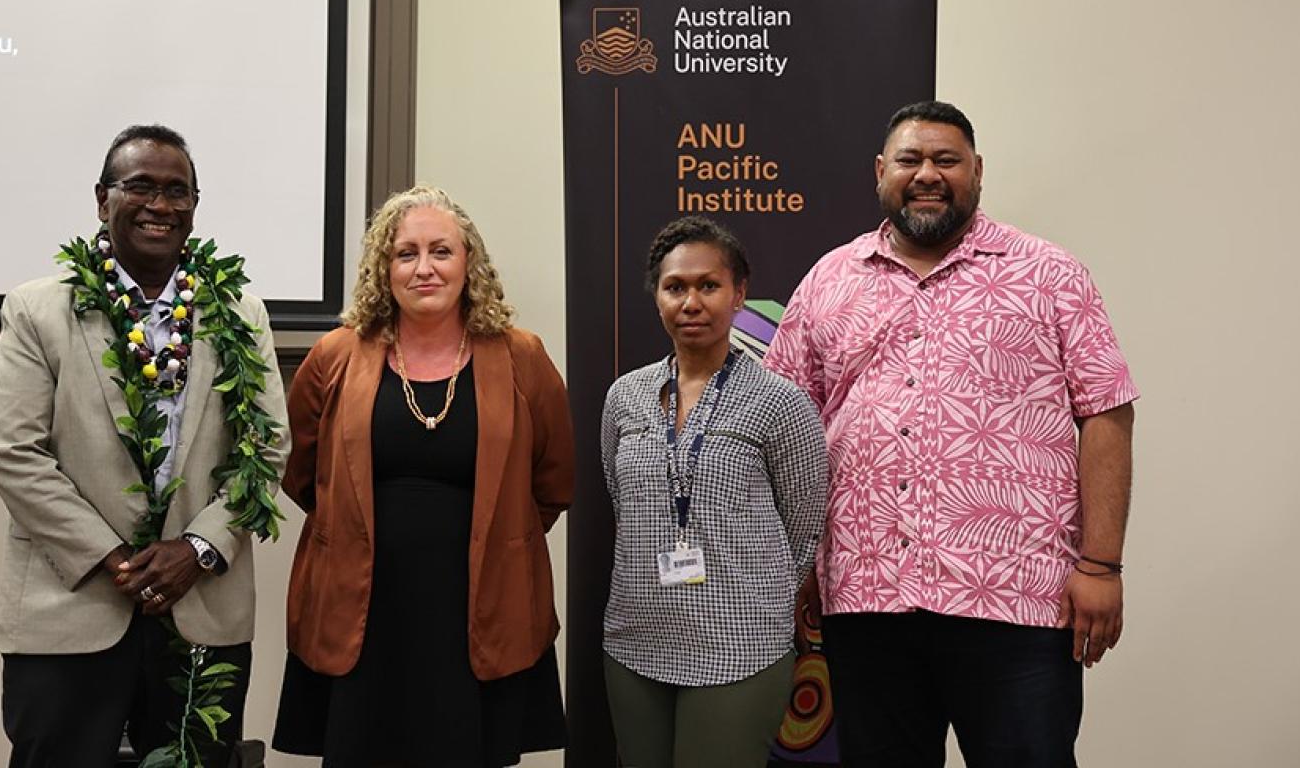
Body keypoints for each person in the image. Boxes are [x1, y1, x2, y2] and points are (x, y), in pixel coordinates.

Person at [765, 101, 1139, 767]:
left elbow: (1106, 412)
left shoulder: (1049, 274)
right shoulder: (829, 280)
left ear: (978, 172)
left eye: (947, 160)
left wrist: (1101, 564)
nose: (928, 174)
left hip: (1018, 601)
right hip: (867, 596)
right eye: (911, 160)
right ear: (882, 171)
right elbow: (786, 428)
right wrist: (797, 566)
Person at [0, 124, 290, 767]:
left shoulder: (241, 312)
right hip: (69, 608)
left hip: (202, 605)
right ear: (102, 200)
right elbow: (15, 452)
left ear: (195, 206)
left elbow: (266, 446)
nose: (160, 205)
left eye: (178, 191)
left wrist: (197, 548)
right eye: (141, 186)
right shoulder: (38, 310)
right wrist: (115, 558)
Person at [272, 185, 574, 767]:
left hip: (479, 606)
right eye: (404, 253)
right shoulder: (335, 356)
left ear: (469, 264)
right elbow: (302, 471)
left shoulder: (522, 357)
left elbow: (552, 481)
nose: (424, 268)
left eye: (441, 251)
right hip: (363, 607)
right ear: (383, 270)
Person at [599, 216, 828, 768]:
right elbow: (620, 497)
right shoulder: (625, 397)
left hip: (739, 644)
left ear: (739, 294)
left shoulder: (780, 402)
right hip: (636, 638)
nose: (691, 302)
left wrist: (758, 594)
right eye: (675, 287)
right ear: (657, 296)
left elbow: (803, 521)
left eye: (709, 285)